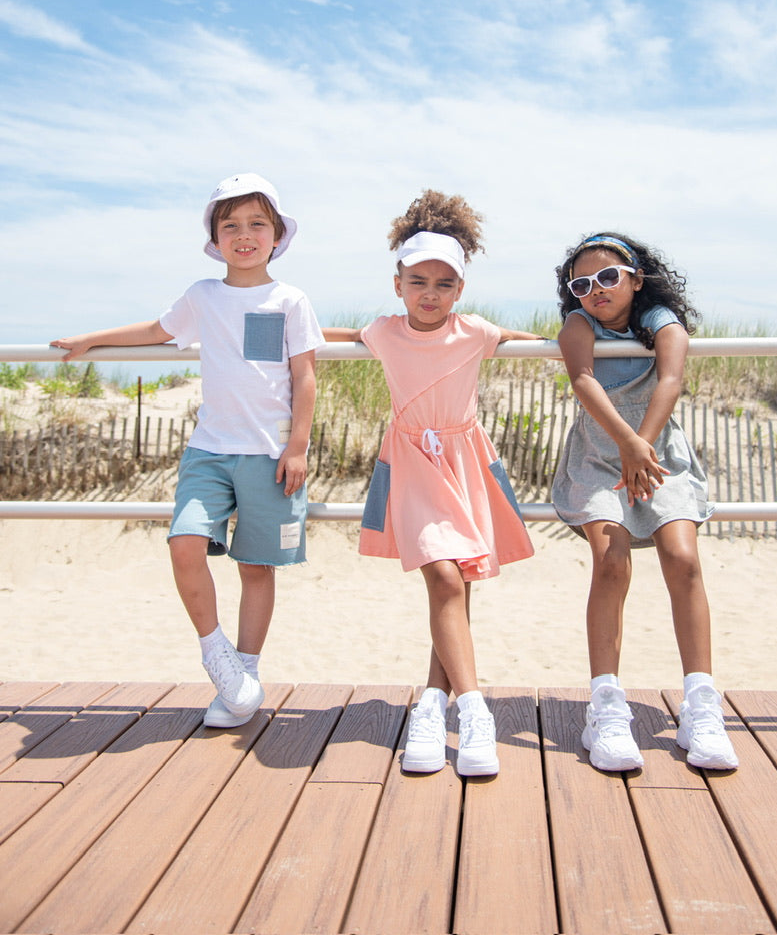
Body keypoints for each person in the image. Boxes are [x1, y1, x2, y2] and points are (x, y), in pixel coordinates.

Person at [51, 173, 324, 729]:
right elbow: (157, 329)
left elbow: (306, 377)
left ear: (277, 236)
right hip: (209, 452)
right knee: (183, 544)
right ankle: (216, 655)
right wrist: (91, 340)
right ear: (215, 237)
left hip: (270, 455)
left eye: (256, 224)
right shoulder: (204, 295)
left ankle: (242, 677)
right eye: (231, 226)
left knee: (256, 567)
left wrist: (297, 448)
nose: (243, 235)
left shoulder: (291, 299)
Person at [325, 190, 539, 777]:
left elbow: (531, 345)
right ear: (398, 283)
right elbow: (338, 336)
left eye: (444, 284)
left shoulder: (474, 332)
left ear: (461, 290)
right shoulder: (384, 331)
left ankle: (431, 702)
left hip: (464, 460)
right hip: (414, 463)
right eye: (418, 281)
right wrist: (283, 331)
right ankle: (475, 713)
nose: (430, 294)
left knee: (458, 584)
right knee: (444, 575)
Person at [551, 232, 738, 773]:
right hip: (600, 454)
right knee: (612, 563)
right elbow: (583, 380)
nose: (596, 290)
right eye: (581, 284)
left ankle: (701, 705)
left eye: (608, 277)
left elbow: (671, 378)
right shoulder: (578, 325)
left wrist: (645, 446)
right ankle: (606, 707)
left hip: (658, 454)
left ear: (635, 277)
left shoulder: (659, 320)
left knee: (682, 559)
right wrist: (626, 445)